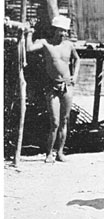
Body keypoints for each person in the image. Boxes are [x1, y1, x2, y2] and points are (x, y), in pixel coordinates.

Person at [25, 16, 80, 163]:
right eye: (60, 31)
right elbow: (29, 48)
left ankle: (60, 153)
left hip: (67, 86)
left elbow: (77, 59)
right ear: (54, 30)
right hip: (52, 86)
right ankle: (49, 153)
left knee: (64, 120)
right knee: (54, 122)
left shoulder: (68, 45)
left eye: (64, 31)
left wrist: (75, 75)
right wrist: (30, 32)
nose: (62, 34)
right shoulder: (45, 43)